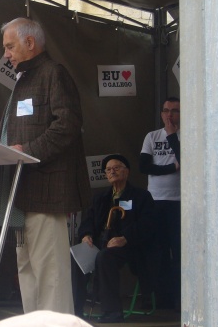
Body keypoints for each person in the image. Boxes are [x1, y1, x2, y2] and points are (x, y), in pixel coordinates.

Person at [0, 17, 90, 314]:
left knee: (51, 275)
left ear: (30, 42)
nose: (6, 54)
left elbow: (68, 125)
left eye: (10, 46)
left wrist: (29, 151)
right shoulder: (22, 78)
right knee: (27, 270)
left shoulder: (53, 74)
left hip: (47, 192)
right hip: (21, 193)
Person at [75, 155, 155, 323]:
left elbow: (147, 224)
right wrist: (86, 235)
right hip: (101, 243)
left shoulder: (141, 196)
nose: (112, 172)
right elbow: (88, 220)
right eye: (108, 170)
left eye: (117, 168)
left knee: (105, 257)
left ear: (127, 172)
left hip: (129, 246)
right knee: (76, 258)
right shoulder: (100, 198)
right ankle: (76, 310)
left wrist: (125, 238)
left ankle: (112, 312)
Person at [139, 97, 181, 310]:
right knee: (160, 251)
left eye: (174, 111)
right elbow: (144, 166)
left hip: (179, 201)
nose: (169, 115)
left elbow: (186, 158)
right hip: (156, 200)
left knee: (180, 251)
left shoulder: (186, 134)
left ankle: (181, 298)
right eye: (166, 110)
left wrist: (173, 136)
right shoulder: (152, 136)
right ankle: (164, 300)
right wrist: (171, 168)